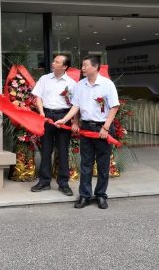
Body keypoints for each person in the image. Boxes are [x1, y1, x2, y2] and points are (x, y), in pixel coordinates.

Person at [55, 55, 120, 209]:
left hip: (102, 128)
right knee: (85, 163)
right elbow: (76, 106)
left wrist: (106, 127)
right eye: (82, 65)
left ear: (95, 67)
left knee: (103, 164)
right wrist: (67, 120)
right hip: (86, 128)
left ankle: (101, 195)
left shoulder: (107, 84)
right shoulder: (80, 85)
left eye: (85, 65)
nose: (82, 68)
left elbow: (114, 107)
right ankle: (85, 196)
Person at [30, 55, 77, 196]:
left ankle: (63, 183)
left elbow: (76, 104)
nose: (53, 63)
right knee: (45, 149)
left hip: (64, 116)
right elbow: (38, 96)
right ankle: (44, 181)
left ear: (65, 66)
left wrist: (75, 121)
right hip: (47, 116)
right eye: (54, 61)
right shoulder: (44, 79)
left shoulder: (72, 83)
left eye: (57, 62)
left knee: (63, 150)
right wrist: (41, 112)